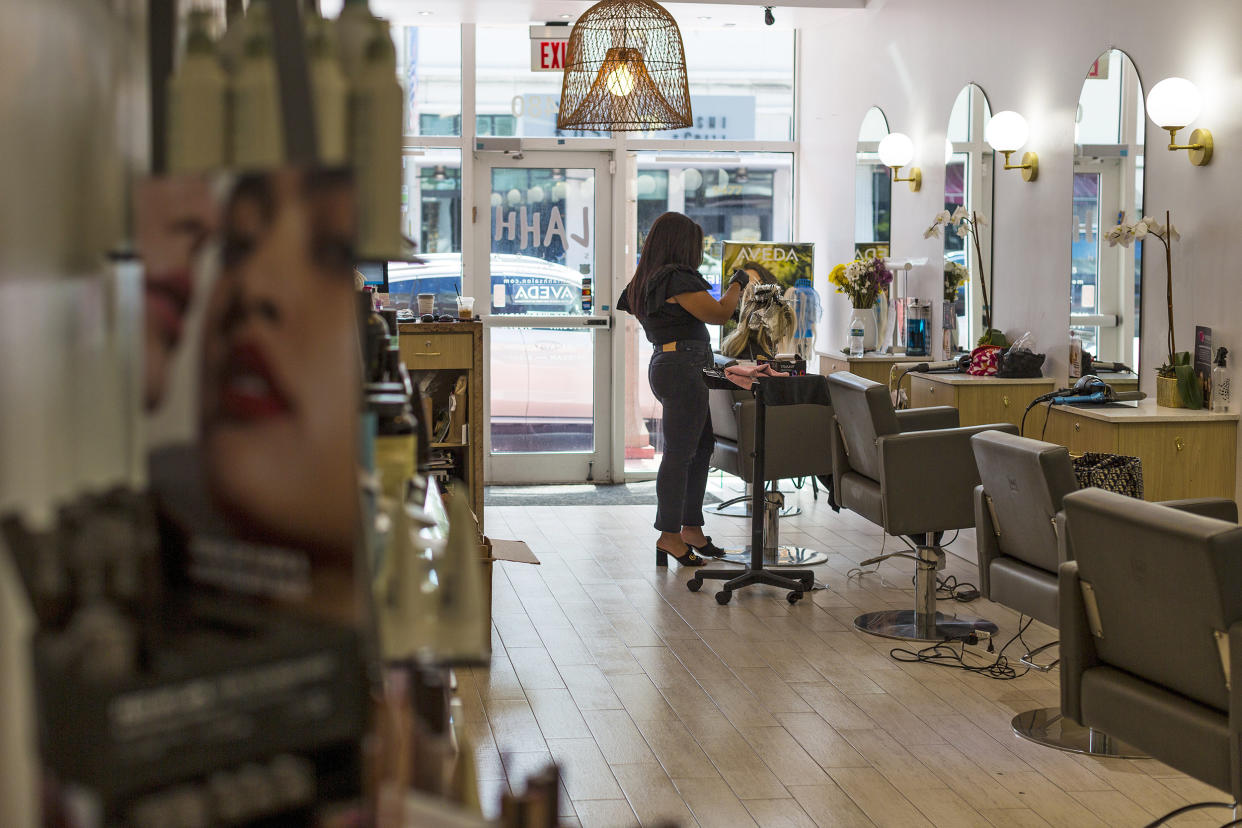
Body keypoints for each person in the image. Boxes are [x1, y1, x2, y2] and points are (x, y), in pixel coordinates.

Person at [618, 212, 749, 567]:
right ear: (681, 245)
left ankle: (691, 529)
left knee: (701, 445)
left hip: (673, 365)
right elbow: (720, 313)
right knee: (679, 453)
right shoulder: (675, 278)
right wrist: (739, 283)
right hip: (682, 368)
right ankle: (669, 535)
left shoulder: (646, 280)